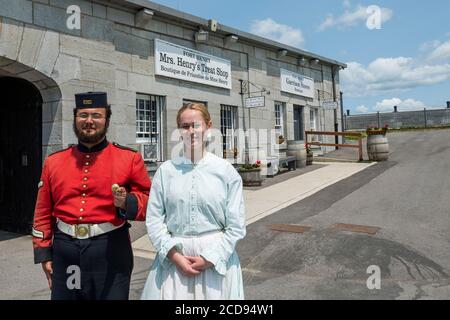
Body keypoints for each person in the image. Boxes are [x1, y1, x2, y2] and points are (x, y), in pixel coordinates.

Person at [32, 92, 151, 300]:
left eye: (96, 115)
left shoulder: (129, 158)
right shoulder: (54, 162)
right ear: (75, 118)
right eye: (83, 115)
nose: (89, 121)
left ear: (106, 120)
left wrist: (127, 202)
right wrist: (43, 252)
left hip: (111, 251)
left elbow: (151, 202)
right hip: (66, 252)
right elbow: (42, 211)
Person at [140, 102, 246, 300]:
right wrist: (175, 256)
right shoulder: (166, 171)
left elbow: (236, 225)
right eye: (184, 126)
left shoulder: (225, 171)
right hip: (175, 262)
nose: (190, 131)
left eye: (195, 125)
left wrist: (210, 258)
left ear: (208, 126)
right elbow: (154, 220)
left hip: (216, 261)